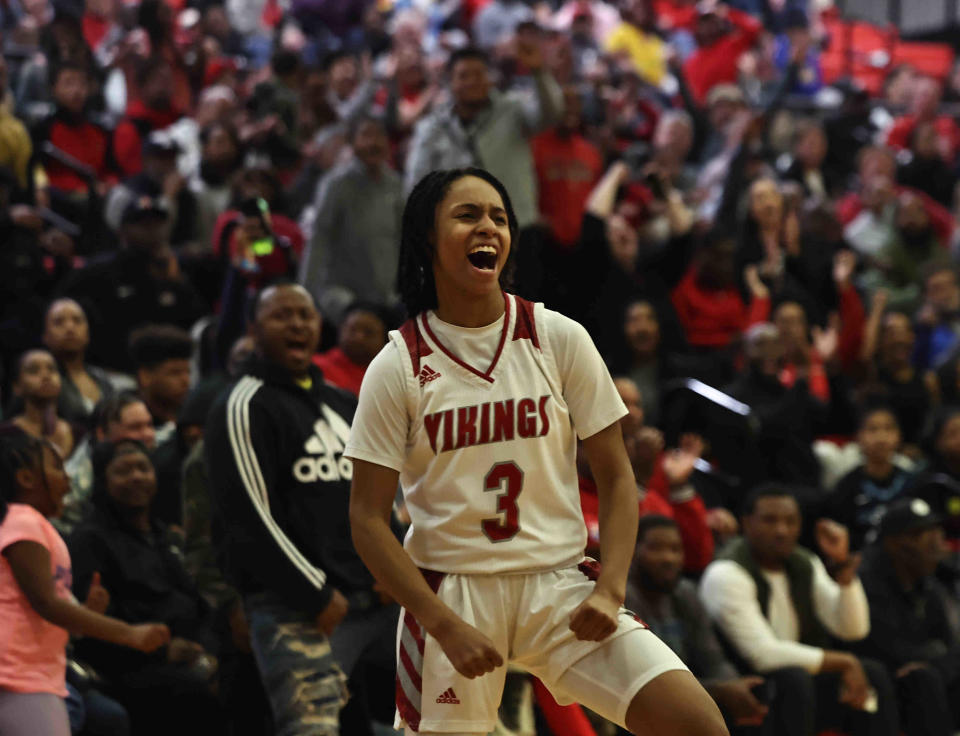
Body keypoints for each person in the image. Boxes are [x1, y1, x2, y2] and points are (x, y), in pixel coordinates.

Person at [346, 167, 727, 735]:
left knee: (697, 724)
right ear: (429, 237)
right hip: (454, 595)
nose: (488, 228)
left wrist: (611, 588)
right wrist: (441, 624)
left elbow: (619, 480)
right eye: (468, 215)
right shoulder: (399, 363)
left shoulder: (558, 337)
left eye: (499, 217)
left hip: (559, 584)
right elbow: (366, 518)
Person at [205, 282, 394, 736]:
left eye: (305, 316)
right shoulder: (243, 403)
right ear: (253, 329)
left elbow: (383, 497)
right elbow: (250, 519)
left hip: (372, 594)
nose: (296, 324)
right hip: (298, 604)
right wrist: (316, 593)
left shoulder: (342, 402)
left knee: (461, 690)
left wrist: (394, 568)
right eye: (281, 316)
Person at [0, 433, 169, 736]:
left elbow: (40, 610)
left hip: (30, 674)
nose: (67, 478)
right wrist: (129, 633)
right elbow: (47, 604)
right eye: (56, 468)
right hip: (17, 676)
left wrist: (83, 615)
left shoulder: (35, 526)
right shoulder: (23, 520)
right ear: (26, 478)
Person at [700, 485, 897, 736]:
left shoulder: (805, 562)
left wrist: (844, 573)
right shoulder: (726, 573)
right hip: (748, 683)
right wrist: (844, 661)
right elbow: (762, 654)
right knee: (795, 679)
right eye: (770, 520)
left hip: (798, 677)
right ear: (747, 523)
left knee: (873, 673)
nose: (782, 530)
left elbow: (852, 630)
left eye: (790, 521)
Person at [67, 440, 225, 736]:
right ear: (103, 481)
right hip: (130, 665)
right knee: (193, 692)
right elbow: (94, 633)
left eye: (143, 468)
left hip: (190, 651)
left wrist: (207, 650)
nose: (137, 477)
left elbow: (197, 604)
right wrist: (163, 652)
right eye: (123, 471)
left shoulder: (163, 534)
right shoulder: (89, 540)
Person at [626, 515, 770, 732]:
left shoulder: (685, 593)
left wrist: (736, 689)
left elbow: (712, 658)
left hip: (691, 693)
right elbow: (643, 682)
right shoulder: (623, 597)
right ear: (632, 551)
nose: (668, 558)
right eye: (656, 548)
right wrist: (719, 690)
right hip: (640, 702)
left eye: (675, 549)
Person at [857, 497, 958, 736]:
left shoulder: (929, 583)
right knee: (923, 679)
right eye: (922, 533)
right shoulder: (866, 582)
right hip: (881, 685)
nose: (935, 541)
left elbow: (952, 644)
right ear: (894, 543)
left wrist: (938, 662)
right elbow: (884, 649)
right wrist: (935, 660)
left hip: (927, 674)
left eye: (935, 530)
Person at [299, 115, 404, 324]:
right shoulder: (335, 184)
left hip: (388, 298)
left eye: (379, 136)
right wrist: (306, 294)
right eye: (366, 135)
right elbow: (319, 240)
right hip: (344, 299)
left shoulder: (396, 184)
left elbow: (403, 239)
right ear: (352, 143)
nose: (373, 143)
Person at [824, 403, 915, 550]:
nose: (881, 437)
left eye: (888, 428)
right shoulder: (847, 486)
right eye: (873, 429)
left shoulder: (911, 481)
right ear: (859, 436)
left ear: (899, 436)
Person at [42, 298, 115, 425]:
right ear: (46, 335)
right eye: (59, 322)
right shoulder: (43, 380)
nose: (70, 328)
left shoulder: (101, 377)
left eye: (77, 321)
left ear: (87, 333)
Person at [2, 349, 84, 461]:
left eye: (52, 369)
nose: (46, 376)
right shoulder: (5, 435)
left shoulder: (80, 434)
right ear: (17, 387)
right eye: (33, 371)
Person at [127, 324, 193, 444]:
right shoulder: (128, 423)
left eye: (188, 372)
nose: (186, 381)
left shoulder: (191, 418)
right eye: (175, 373)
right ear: (145, 376)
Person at [312, 302, 389, 396]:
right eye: (353, 329)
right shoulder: (313, 367)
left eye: (369, 333)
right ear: (341, 329)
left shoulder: (391, 383)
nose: (359, 338)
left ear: (386, 340)